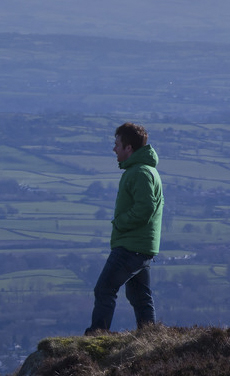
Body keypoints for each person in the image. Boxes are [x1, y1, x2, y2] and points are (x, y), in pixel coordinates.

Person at [85, 122, 164, 336]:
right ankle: (150, 337)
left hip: (131, 246)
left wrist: (120, 223)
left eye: (117, 144)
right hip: (142, 246)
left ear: (129, 147)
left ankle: (97, 336)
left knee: (104, 289)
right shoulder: (145, 170)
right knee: (140, 297)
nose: (114, 149)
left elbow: (145, 207)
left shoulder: (139, 172)